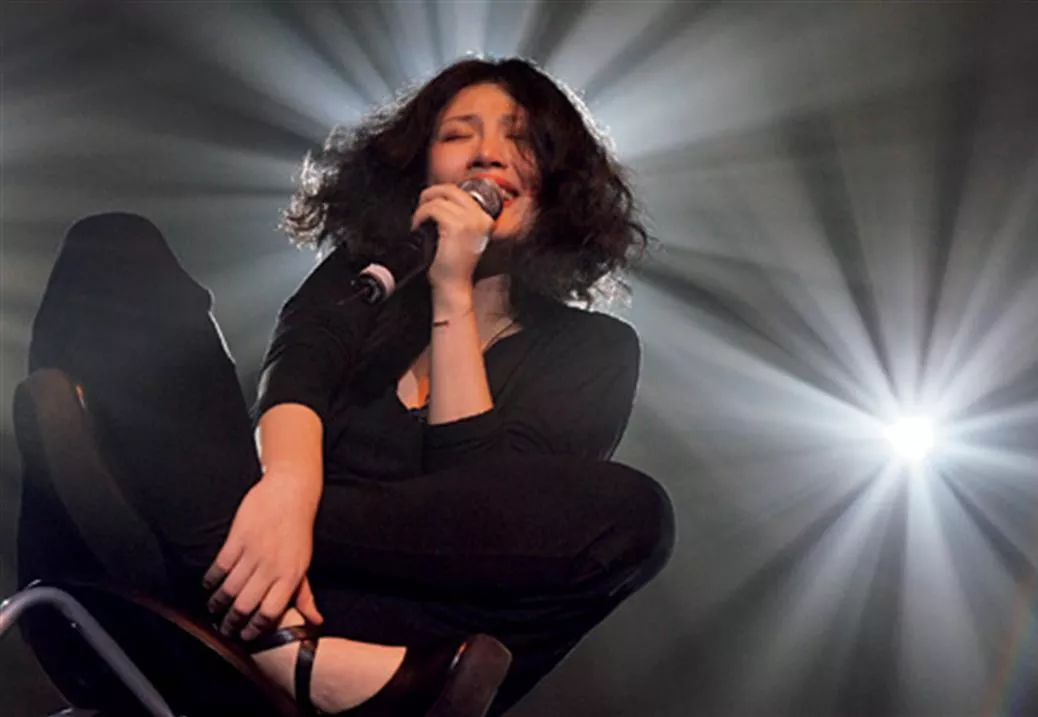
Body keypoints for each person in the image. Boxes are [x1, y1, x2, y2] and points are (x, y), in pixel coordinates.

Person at [26, 56, 675, 716]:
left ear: (559, 181)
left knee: (634, 515)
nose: (487, 154)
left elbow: (483, 522)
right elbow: (299, 364)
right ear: (420, 171)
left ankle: (243, 587)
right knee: (114, 246)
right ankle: (277, 644)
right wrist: (286, 487)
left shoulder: (594, 350)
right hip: (232, 578)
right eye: (458, 135)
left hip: (389, 633)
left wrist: (453, 288)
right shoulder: (364, 278)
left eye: (521, 138)